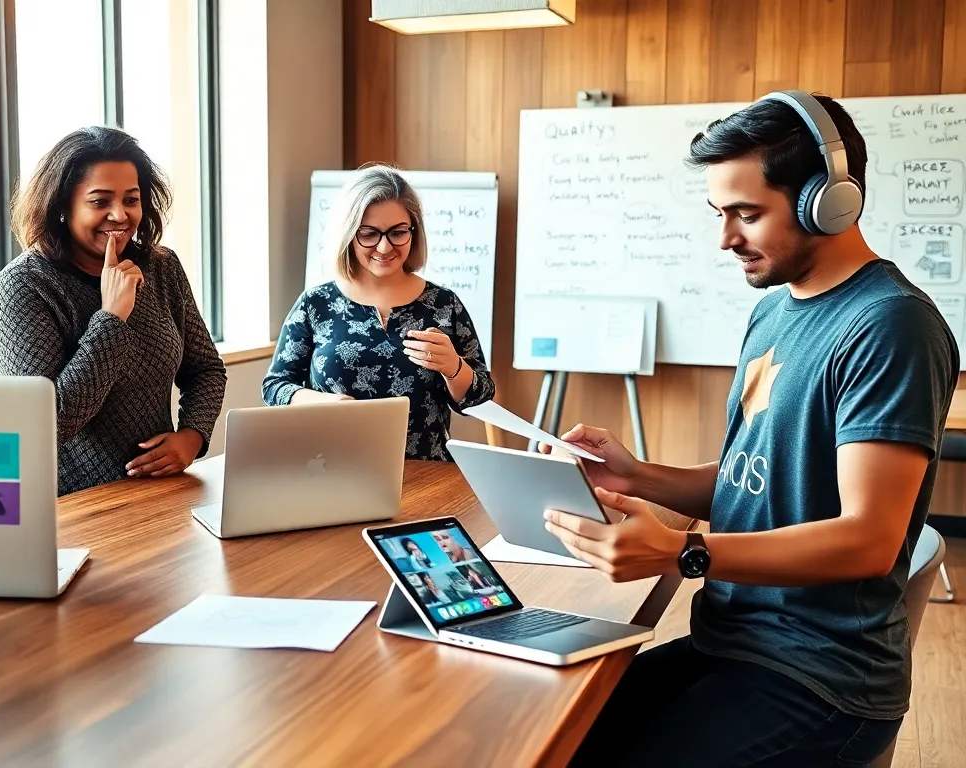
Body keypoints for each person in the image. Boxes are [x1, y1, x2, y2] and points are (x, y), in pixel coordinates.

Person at [543, 92, 958, 766]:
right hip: (732, 644)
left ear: (829, 202)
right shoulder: (775, 311)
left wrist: (683, 553)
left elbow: (869, 541)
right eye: (721, 214)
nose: (726, 239)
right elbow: (754, 482)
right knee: (552, 737)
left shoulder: (890, 325)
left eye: (747, 213)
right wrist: (637, 476)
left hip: (821, 678)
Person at [0, 126, 226, 495]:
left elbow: (206, 369)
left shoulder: (161, 266)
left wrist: (192, 436)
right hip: (71, 506)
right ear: (62, 206)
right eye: (100, 202)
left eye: (131, 200)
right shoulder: (24, 285)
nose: (119, 215)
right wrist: (112, 317)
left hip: (161, 493)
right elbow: (46, 423)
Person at [262, 164, 495, 461]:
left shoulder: (443, 304)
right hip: (331, 470)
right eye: (369, 234)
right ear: (349, 234)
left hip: (426, 472)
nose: (385, 247)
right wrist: (325, 403)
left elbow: (480, 398)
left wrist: (454, 367)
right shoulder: (315, 304)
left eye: (398, 232)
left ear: (413, 231)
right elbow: (275, 387)